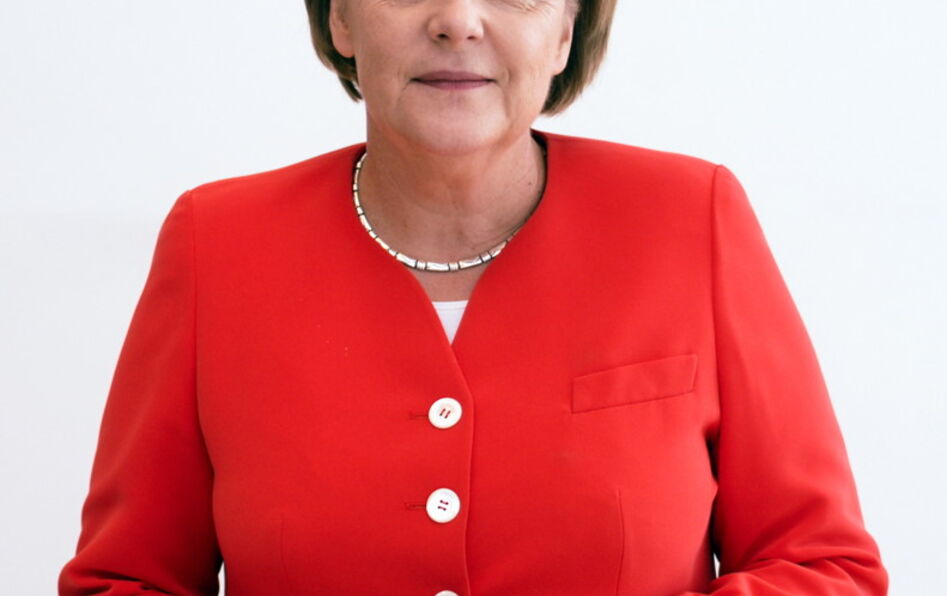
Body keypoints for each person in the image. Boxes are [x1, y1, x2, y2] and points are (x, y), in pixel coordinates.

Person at [59, 1, 889, 594]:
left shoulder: (688, 218)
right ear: (339, 19)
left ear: (564, 30)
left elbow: (824, 567)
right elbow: (123, 580)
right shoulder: (217, 243)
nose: (457, 19)